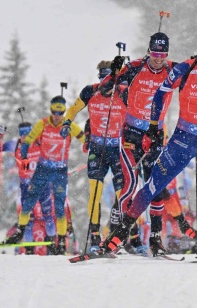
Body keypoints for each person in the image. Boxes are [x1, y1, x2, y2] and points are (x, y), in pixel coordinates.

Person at [97, 24, 197, 260]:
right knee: (153, 185)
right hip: (183, 138)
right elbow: (160, 93)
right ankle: (119, 234)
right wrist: (154, 126)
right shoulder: (185, 69)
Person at [97, 33, 196, 256]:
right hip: (131, 133)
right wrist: (115, 71)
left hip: (156, 135)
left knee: (157, 189)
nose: (158, 58)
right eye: (155, 52)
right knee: (130, 185)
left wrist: (196, 61)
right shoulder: (134, 67)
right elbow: (105, 89)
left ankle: (155, 240)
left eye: (163, 53)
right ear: (149, 50)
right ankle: (117, 236)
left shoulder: (173, 69)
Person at [1, 96, 86, 255]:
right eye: (54, 111)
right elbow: (30, 138)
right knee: (28, 204)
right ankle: (20, 232)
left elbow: (84, 139)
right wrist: (25, 149)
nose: (57, 116)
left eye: (60, 112)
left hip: (60, 171)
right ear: (51, 110)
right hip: (43, 169)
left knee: (59, 209)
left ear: (64, 111)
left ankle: (60, 243)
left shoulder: (70, 126)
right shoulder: (43, 124)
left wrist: (91, 145)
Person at [61, 60, 126, 252]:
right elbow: (72, 109)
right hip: (98, 149)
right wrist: (66, 123)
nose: (105, 82)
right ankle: (95, 237)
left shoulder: (123, 92)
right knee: (95, 190)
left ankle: (120, 235)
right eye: (102, 77)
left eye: (109, 77)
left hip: (117, 149)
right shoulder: (90, 91)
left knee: (122, 193)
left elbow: (141, 111)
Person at [0, 122, 57, 255]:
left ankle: (53, 247)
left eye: (28, 134)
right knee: (28, 218)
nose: (25, 137)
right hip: (26, 186)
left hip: (43, 185)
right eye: (23, 134)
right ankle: (29, 250)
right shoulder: (16, 145)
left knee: (48, 216)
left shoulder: (40, 141)